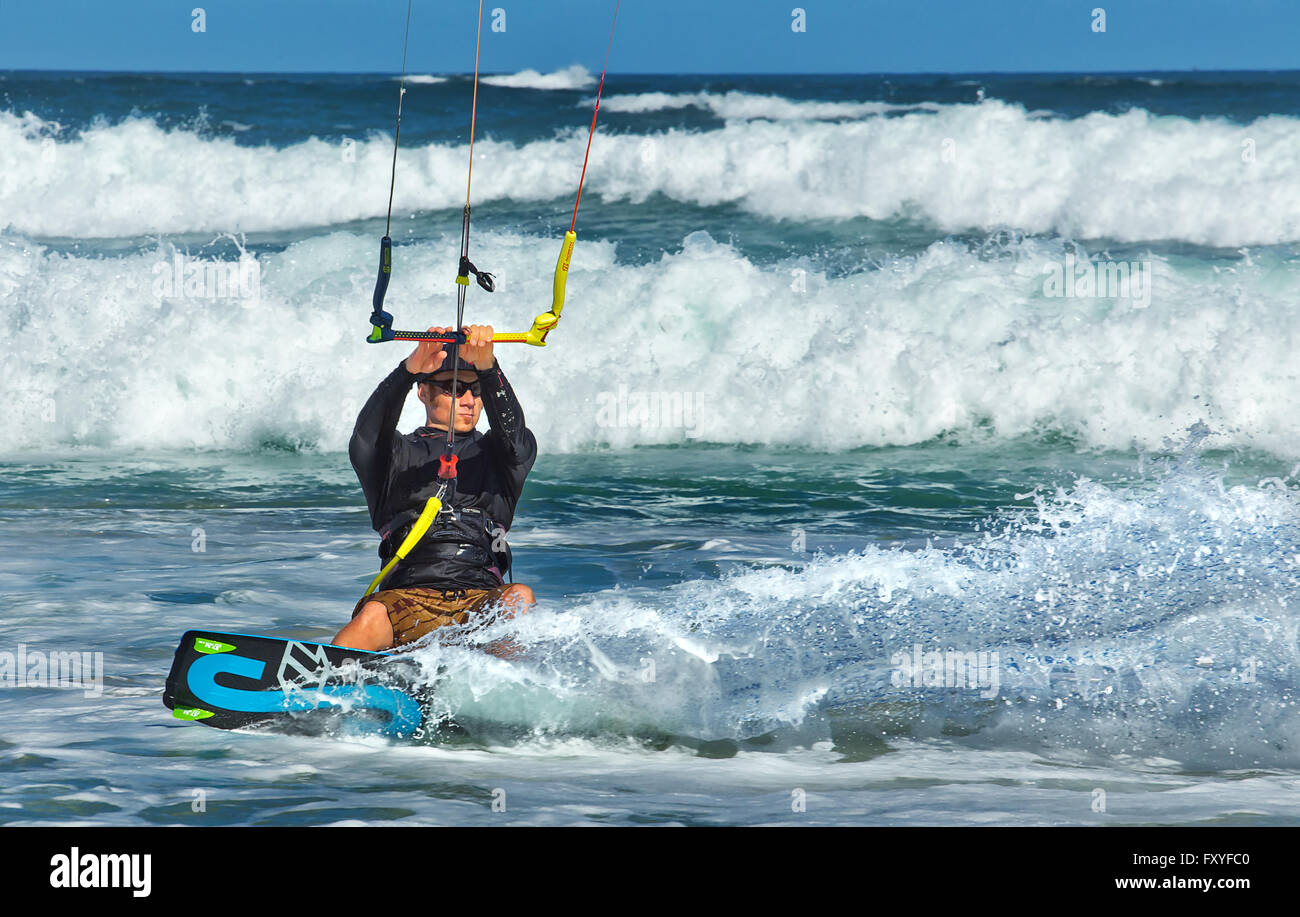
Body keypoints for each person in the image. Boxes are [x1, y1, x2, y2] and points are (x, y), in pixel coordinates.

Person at [332, 324, 536, 654]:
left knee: (519, 597)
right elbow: (366, 437)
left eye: (476, 390)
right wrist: (408, 370)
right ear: (423, 392)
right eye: (453, 389)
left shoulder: (502, 457)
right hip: (406, 601)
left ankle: (505, 691)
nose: (469, 400)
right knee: (371, 613)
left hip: (480, 600)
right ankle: (313, 685)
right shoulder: (394, 456)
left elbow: (514, 437)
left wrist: (488, 368)